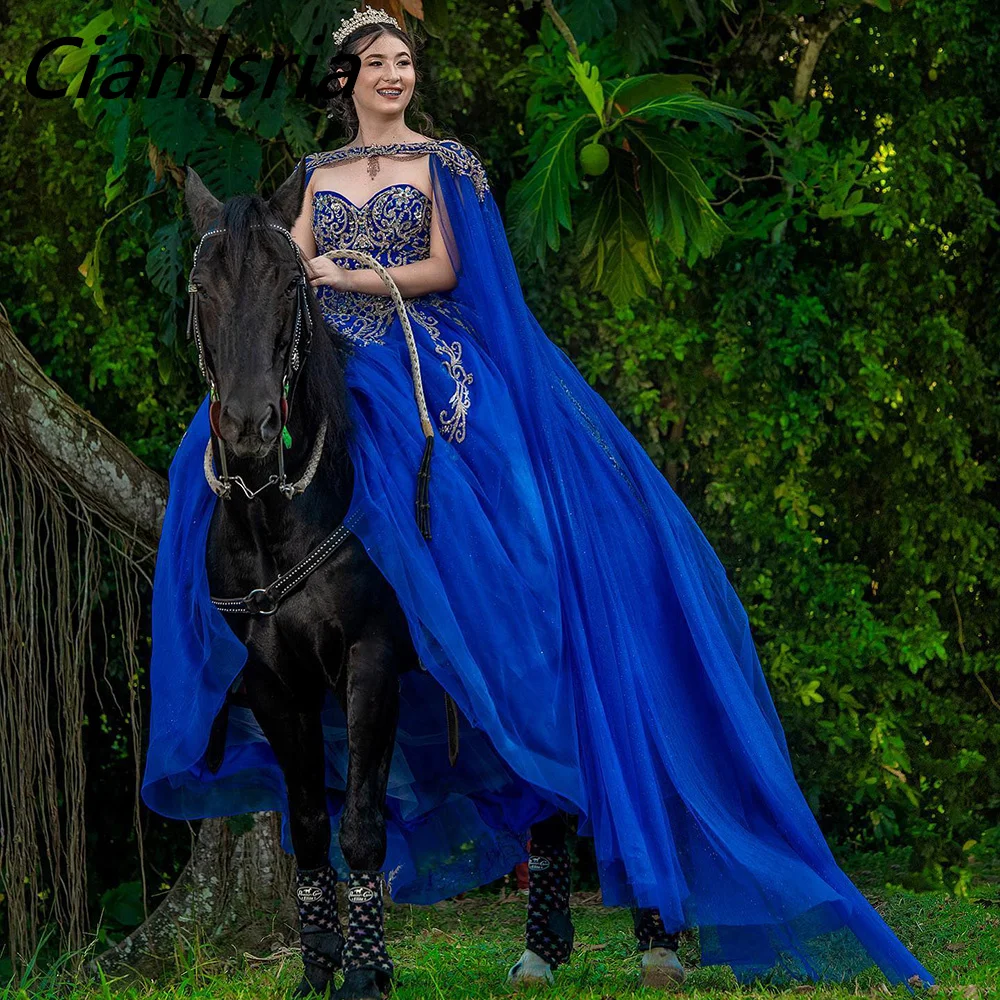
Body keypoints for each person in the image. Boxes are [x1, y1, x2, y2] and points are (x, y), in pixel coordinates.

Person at [142, 6, 934, 991]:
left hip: (418, 337)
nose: (391, 74)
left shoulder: (447, 163)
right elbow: (282, 267)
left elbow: (449, 268)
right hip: (332, 344)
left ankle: (493, 598)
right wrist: (291, 276)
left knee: (464, 474)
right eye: (372, 63)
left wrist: (355, 270)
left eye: (401, 60)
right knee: (206, 451)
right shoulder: (314, 175)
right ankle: (221, 626)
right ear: (343, 80)